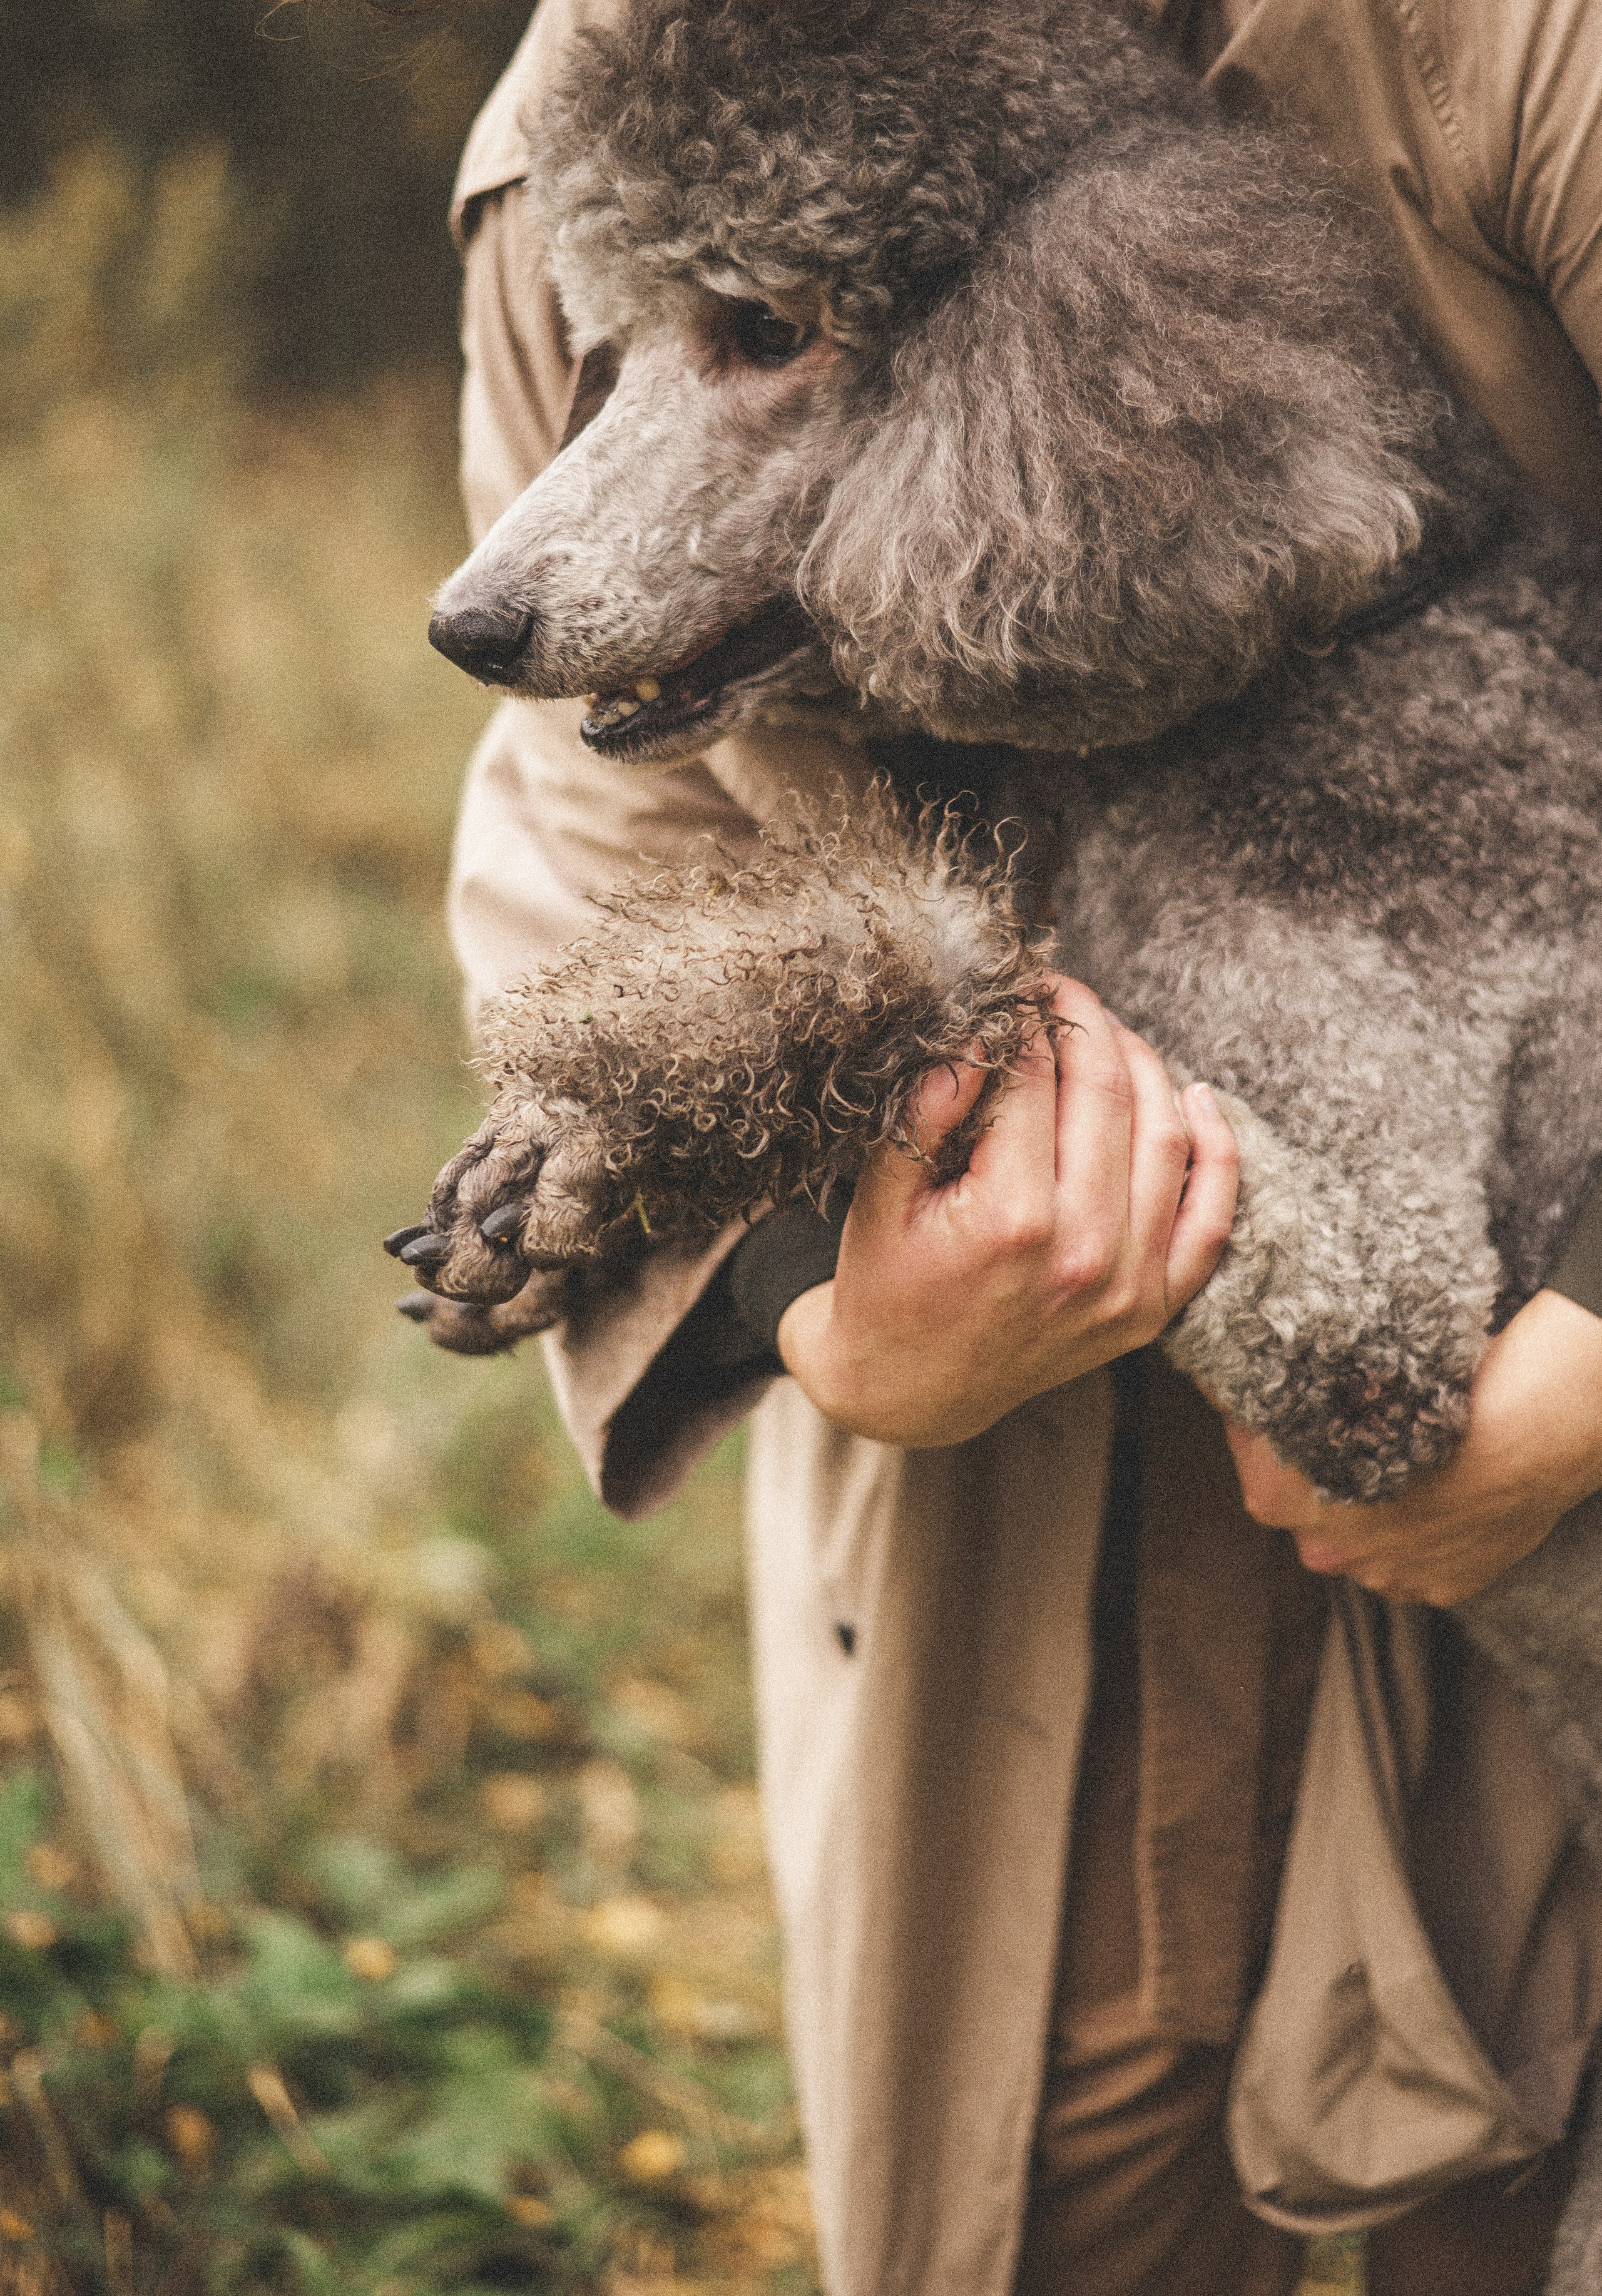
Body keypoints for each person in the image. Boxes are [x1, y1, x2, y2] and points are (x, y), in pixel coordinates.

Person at [439, 1, 1602, 2288]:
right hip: (1005, 1473)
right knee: (1036, 2200)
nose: (537, 546)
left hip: (1513, 1329)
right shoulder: (612, 81)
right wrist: (815, 1303)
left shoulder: (1522, 48)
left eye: (761, 336)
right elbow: (595, 814)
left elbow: (1370, 1364)